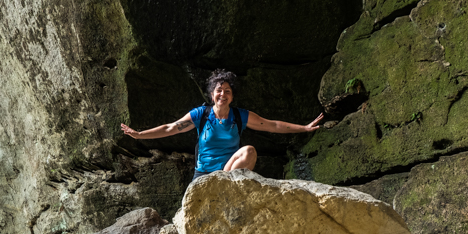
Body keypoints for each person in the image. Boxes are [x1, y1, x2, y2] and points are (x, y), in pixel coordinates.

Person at [120, 69, 325, 181]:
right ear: (212, 94)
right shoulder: (201, 114)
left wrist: (304, 128)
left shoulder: (239, 116)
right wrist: (139, 135)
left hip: (227, 173)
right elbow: (170, 128)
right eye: (219, 90)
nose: (223, 94)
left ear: (232, 96)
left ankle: (225, 186)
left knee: (249, 151)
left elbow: (272, 125)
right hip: (203, 175)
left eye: (227, 91)